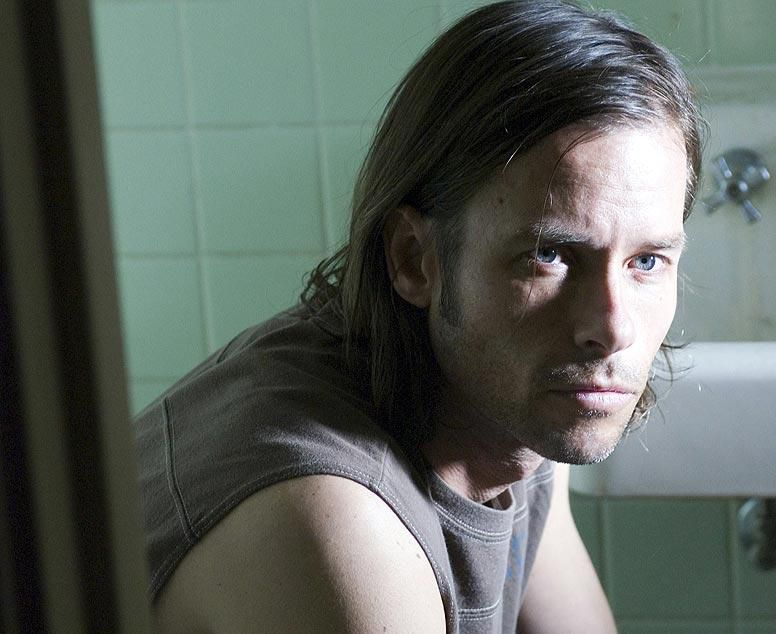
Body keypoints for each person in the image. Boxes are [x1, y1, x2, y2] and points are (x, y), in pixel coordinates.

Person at [133, 1, 703, 632]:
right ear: (414, 259)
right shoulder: (341, 526)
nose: (611, 328)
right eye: (548, 256)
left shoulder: (520, 400)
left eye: (646, 262)